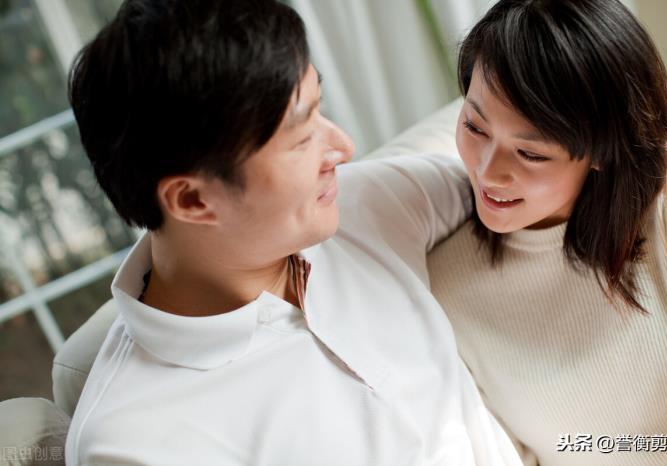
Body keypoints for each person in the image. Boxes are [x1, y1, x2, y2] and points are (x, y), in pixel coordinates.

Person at [64, 0, 522, 465]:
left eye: (320, 107)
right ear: (193, 201)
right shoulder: (133, 444)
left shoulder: (366, 205)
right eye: (302, 139)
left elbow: (532, 185)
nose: (343, 147)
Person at [428, 0, 667, 465]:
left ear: (603, 150)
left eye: (530, 154)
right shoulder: (446, 285)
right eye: (474, 126)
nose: (488, 172)